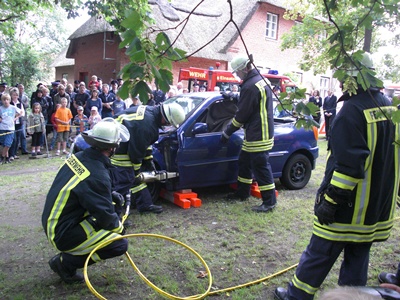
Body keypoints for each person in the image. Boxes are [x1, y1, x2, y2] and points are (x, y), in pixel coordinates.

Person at [274, 52, 400, 300]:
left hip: (347, 209)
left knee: (319, 252)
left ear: (352, 76)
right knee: (358, 255)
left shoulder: (352, 111)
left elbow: (348, 167)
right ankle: (352, 296)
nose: (340, 83)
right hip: (375, 209)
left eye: (343, 76)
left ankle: (296, 296)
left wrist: (330, 203)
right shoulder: (389, 107)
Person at [42, 118, 130, 284]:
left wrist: (109, 195)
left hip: (55, 221)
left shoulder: (80, 157)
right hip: (63, 233)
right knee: (118, 244)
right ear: (113, 147)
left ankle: (69, 257)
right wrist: (119, 228)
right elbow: (105, 216)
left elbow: (83, 190)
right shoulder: (96, 173)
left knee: (105, 227)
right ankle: (65, 264)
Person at [220, 54, 276, 213]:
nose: (237, 75)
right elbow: (251, 101)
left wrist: (227, 132)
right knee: (244, 161)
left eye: (238, 72)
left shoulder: (250, 86)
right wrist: (233, 96)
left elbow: (242, 115)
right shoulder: (259, 80)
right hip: (258, 131)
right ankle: (242, 192)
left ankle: (269, 202)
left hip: (258, 133)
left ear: (245, 68)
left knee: (261, 167)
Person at [110, 102, 185, 214]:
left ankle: (145, 205)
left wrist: (149, 160)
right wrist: (136, 169)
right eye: (168, 123)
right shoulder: (147, 125)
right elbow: (136, 151)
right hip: (118, 146)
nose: (166, 125)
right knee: (125, 180)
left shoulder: (151, 114)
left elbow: (146, 143)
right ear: (165, 118)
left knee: (136, 179)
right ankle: (114, 215)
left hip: (120, 140)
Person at [0, 93, 21, 164]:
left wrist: (15, 118)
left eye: (7, 100)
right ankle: (7, 158)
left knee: (8, 144)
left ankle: (2, 157)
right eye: (4, 100)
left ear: (9, 100)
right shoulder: (0, 108)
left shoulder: (13, 107)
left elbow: (21, 112)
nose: (6, 101)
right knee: (4, 144)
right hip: (2, 128)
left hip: (10, 128)